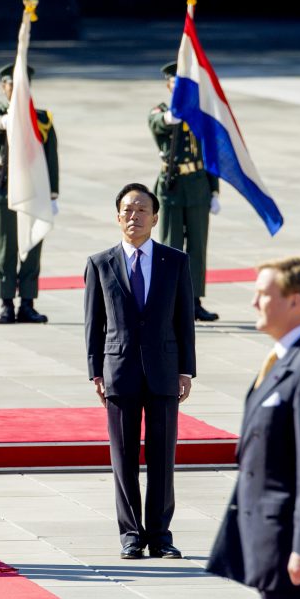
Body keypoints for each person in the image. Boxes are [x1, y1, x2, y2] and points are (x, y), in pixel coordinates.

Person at [207, 254, 300, 599]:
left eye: (263, 294)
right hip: (271, 545)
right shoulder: (285, 358)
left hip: (296, 552)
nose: (254, 302)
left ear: (295, 301)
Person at [84, 183, 196, 559]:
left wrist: (186, 370)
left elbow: (184, 320)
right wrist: (95, 372)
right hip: (119, 370)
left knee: (163, 458)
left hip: (164, 371)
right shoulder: (101, 263)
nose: (135, 216)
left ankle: (161, 535)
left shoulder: (175, 261)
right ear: (118, 217)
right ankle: (131, 534)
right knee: (124, 458)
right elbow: (93, 324)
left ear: (155, 217)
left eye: (142, 210)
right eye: (128, 210)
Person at [0, 62, 58, 324]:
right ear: (3, 87)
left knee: (31, 246)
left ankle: (27, 302)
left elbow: (50, 158)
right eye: (10, 84)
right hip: (5, 190)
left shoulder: (41, 118)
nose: (14, 89)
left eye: (19, 84)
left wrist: (53, 195)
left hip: (34, 190)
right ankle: (6, 303)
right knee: (7, 248)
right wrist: (10, 118)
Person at [149, 62, 220, 322]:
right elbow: (156, 123)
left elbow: (210, 154)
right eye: (174, 83)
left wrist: (214, 191)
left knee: (198, 247)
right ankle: (169, 304)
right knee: (171, 246)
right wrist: (170, 119)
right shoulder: (163, 112)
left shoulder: (200, 114)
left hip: (198, 184)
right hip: (172, 185)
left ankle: (194, 301)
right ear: (168, 85)